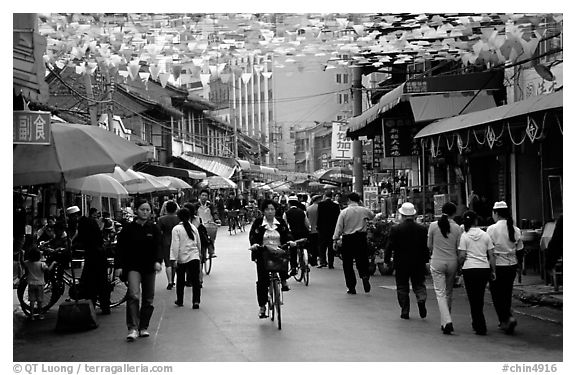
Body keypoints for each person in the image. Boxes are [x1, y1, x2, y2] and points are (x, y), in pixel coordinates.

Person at [115, 199, 163, 342]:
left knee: (148, 299)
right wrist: (118, 266)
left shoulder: (153, 228)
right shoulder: (128, 229)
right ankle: (133, 328)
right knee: (134, 295)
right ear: (136, 210)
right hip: (133, 267)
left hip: (149, 268)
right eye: (142, 209)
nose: (145, 212)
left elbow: (159, 247)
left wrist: (158, 261)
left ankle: (143, 327)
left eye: (148, 210)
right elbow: (120, 248)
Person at [248, 199, 296, 318]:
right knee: (262, 281)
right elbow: (253, 236)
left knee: (285, 256)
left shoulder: (280, 222)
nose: (270, 212)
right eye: (267, 209)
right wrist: (254, 245)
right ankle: (262, 307)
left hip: (278, 252)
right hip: (263, 253)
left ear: (275, 210)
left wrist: (290, 241)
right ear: (263, 211)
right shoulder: (258, 223)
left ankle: (284, 280)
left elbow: (287, 234)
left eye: (272, 209)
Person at [385, 202, 429, 319]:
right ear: (414, 215)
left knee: (402, 286)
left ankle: (405, 310)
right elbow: (425, 247)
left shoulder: (396, 229)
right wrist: (426, 261)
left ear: (402, 215)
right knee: (419, 284)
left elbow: (389, 246)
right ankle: (421, 299)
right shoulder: (422, 229)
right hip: (418, 262)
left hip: (401, 262)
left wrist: (387, 260)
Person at [486, 201, 524, 334]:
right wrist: (519, 266)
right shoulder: (516, 229)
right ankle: (507, 318)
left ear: (496, 213)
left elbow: (488, 250)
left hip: (497, 266)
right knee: (507, 293)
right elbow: (520, 250)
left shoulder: (491, 229)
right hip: (511, 266)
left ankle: (506, 319)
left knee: (497, 295)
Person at [458, 210, 496, 335]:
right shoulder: (485, 235)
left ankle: (478, 323)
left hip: (469, 269)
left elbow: (462, 255)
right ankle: (479, 323)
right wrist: (493, 270)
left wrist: (460, 266)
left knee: (472, 297)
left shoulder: (464, 236)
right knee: (479, 296)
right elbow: (491, 254)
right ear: (476, 221)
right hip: (483, 269)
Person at [427, 202, 462, 334]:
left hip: (437, 261)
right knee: (448, 292)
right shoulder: (458, 228)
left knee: (440, 293)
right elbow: (459, 248)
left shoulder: (433, 226)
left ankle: (447, 321)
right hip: (452, 261)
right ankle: (445, 321)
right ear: (454, 213)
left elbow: (429, 245)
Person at [333, 192, 375, 294]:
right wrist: (362, 205)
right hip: (361, 238)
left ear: (349, 200)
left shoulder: (344, 212)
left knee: (347, 264)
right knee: (362, 259)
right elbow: (372, 216)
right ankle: (364, 276)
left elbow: (339, 227)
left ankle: (351, 287)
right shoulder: (364, 210)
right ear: (358, 200)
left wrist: (335, 239)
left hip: (348, 239)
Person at [77, 208, 110, 314]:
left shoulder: (85, 226)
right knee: (102, 283)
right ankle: (104, 306)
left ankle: (93, 305)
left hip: (93, 257)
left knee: (91, 284)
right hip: (99, 255)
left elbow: (82, 240)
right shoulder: (92, 225)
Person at [170, 207, 202, 309]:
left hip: (181, 258)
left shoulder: (176, 229)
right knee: (195, 280)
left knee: (180, 280)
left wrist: (174, 258)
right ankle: (196, 301)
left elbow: (175, 245)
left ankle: (180, 300)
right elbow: (198, 243)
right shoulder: (194, 228)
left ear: (178, 217)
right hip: (194, 256)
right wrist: (199, 254)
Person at [24, 246, 55, 320]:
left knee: (32, 300)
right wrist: (53, 263)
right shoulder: (42, 264)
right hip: (40, 284)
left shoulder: (27, 263)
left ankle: (31, 315)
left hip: (31, 284)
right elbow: (48, 270)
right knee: (40, 300)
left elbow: (23, 265)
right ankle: (40, 315)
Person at [283, 196, 311, 275]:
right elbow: (307, 224)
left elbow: (285, 225)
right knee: (305, 246)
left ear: (289, 203)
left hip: (293, 235)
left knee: (293, 251)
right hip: (303, 234)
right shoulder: (302, 212)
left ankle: (294, 267)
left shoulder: (286, 213)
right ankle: (307, 261)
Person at [157, 201, 180, 290]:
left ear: (166, 209)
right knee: (177, 261)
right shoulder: (179, 218)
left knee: (168, 263)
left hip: (166, 241)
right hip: (177, 241)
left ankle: (170, 282)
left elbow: (158, 231)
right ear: (175, 209)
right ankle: (179, 280)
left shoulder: (162, 219)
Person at [317, 191, 340, 268]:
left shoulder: (320, 205)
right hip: (332, 229)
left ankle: (323, 261)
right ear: (332, 196)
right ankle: (331, 263)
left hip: (322, 229)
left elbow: (319, 217)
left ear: (325, 196)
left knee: (322, 246)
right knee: (331, 246)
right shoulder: (336, 206)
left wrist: (318, 227)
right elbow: (337, 218)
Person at [305, 195, 323, 267]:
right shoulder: (320, 208)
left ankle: (313, 261)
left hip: (311, 229)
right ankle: (321, 260)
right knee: (319, 246)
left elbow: (307, 219)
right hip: (319, 230)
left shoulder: (308, 208)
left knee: (312, 247)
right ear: (318, 200)